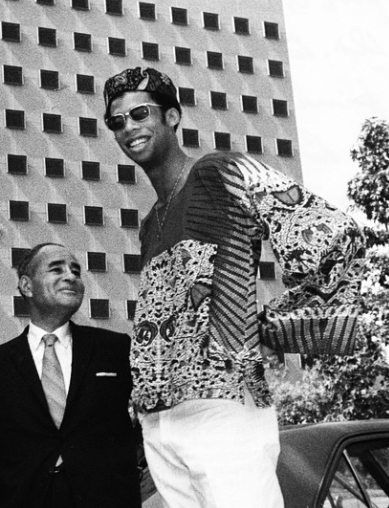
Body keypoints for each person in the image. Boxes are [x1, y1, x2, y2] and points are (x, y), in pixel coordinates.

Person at [102, 67, 365, 508]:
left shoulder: (219, 172)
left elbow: (331, 232)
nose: (128, 127)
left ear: (172, 117)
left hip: (222, 408)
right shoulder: (149, 222)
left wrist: (275, 324)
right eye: (116, 121)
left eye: (140, 113)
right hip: (159, 418)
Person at [0, 243, 141, 508]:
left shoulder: (114, 349)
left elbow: (150, 417)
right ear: (26, 285)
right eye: (56, 269)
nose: (71, 276)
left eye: (76, 272)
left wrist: (123, 472)